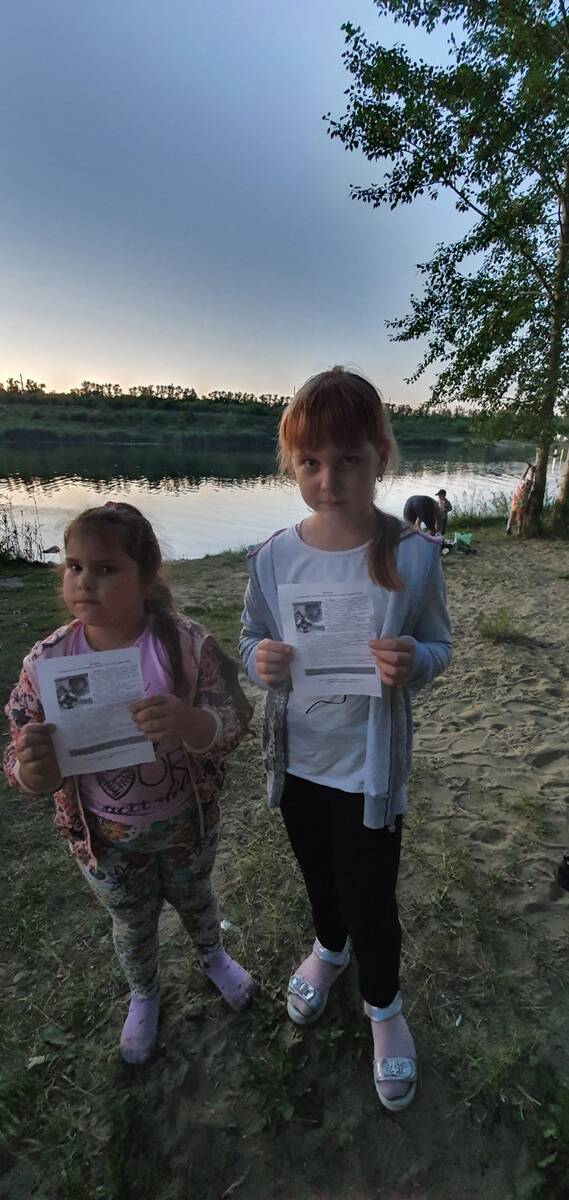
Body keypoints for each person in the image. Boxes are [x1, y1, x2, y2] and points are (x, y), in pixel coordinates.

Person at [239, 367, 452, 1112]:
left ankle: (384, 1007)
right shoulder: (271, 556)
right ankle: (328, 950)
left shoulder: (413, 555)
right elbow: (251, 637)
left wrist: (413, 661)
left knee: (372, 897)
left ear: (379, 457)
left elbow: (439, 645)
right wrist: (259, 662)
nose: (329, 480)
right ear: (292, 465)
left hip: (369, 771)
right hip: (299, 763)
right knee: (318, 875)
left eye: (348, 460)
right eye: (311, 462)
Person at [4, 501, 255, 1064]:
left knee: (196, 897)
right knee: (131, 921)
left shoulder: (185, 646)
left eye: (105, 568)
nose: (84, 581)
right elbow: (19, 745)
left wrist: (190, 722)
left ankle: (213, 956)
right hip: (105, 839)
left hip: (186, 822)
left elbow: (236, 716)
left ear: (146, 577)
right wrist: (30, 771)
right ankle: (144, 993)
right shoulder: (47, 662)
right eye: (74, 566)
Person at [506, 463, 536, 535]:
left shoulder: (520, 483)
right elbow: (531, 478)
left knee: (512, 516)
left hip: (515, 502)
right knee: (520, 518)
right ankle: (519, 531)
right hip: (522, 504)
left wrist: (528, 468)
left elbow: (523, 476)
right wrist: (532, 471)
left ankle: (508, 528)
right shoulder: (528, 487)